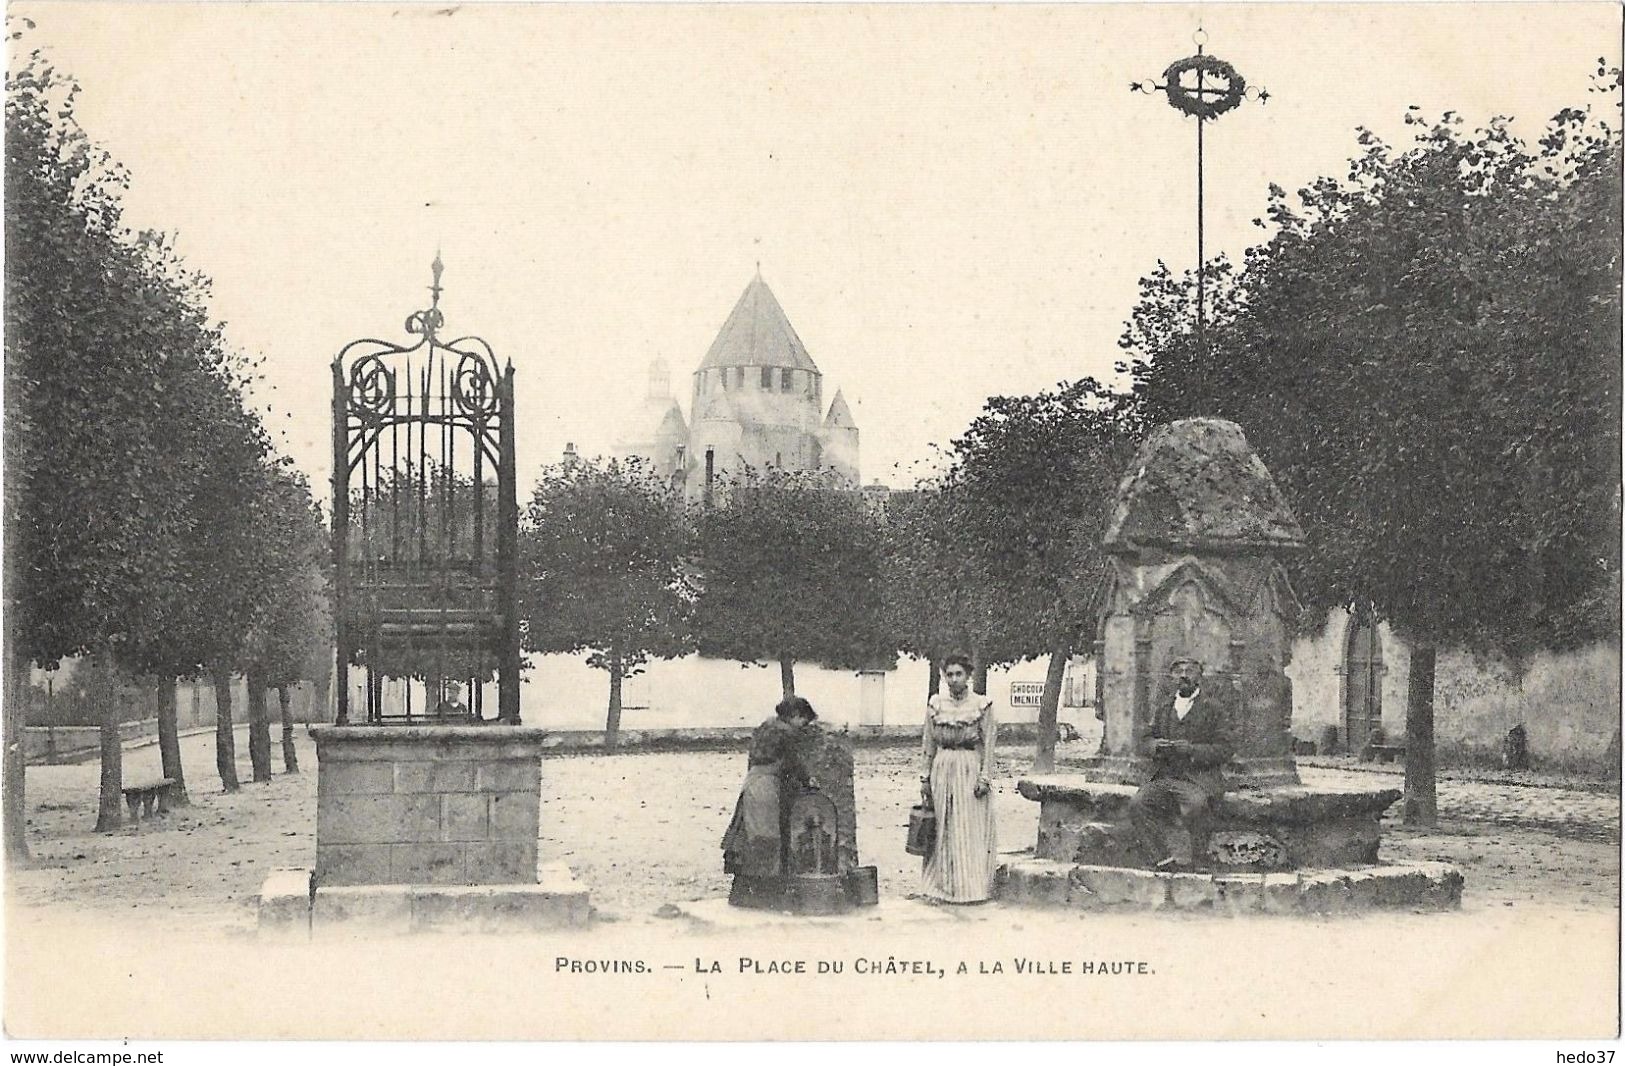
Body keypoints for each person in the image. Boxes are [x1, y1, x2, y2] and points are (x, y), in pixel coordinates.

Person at [1127, 657, 1236, 871]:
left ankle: (1198, 858)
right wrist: (1156, 746)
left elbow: (1225, 748)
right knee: (1138, 804)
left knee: (1196, 805)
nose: (1184, 675)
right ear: (1172, 677)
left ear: (1199, 676)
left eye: (1190, 671)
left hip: (1197, 779)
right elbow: (1144, 741)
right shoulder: (1164, 708)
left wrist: (1192, 750)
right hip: (1164, 776)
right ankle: (1161, 858)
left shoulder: (1213, 708)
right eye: (1179, 672)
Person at [721, 695, 818, 908]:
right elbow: (793, 761)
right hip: (766, 788)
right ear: (795, 716)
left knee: (749, 837)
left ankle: (741, 894)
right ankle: (766, 896)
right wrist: (808, 780)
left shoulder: (765, 727)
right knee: (767, 839)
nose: (804, 726)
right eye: (803, 721)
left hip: (752, 783)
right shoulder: (786, 732)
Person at [919, 653, 998, 903]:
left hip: (968, 767)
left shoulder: (982, 705)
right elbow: (928, 743)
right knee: (943, 826)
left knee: (967, 827)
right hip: (942, 768)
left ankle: (971, 888)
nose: (954, 679)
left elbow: (989, 744)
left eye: (959, 674)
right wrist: (924, 777)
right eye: (949, 674)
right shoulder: (935, 704)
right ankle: (941, 887)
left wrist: (985, 777)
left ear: (968, 676)